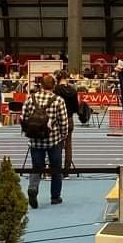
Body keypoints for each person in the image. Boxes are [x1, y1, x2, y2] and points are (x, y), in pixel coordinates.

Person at [21, 74, 68, 209]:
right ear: (54, 86)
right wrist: (63, 136)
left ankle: (33, 187)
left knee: (37, 167)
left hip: (35, 141)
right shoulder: (58, 100)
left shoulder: (31, 98)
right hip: (53, 140)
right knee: (56, 169)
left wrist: (29, 132)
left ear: (41, 85)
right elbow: (63, 122)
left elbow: (23, 118)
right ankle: (55, 197)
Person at [55, 69, 79, 178]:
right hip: (69, 119)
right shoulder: (73, 90)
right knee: (68, 146)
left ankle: (56, 169)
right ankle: (66, 171)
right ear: (66, 78)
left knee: (57, 145)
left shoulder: (55, 89)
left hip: (57, 120)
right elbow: (76, 108)